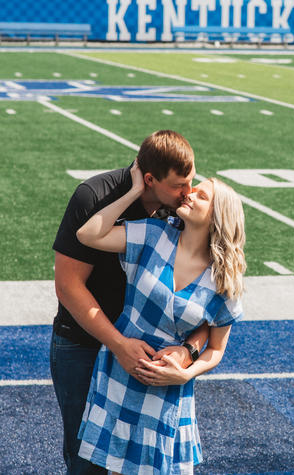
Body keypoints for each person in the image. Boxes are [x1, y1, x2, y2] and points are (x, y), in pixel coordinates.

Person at [51, 130, 209, 474]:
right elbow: (67, 285)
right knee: (86, 463)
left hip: (147, 355)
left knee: (142, 466)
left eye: (191, 180)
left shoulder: (183, 214)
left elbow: (206, 306)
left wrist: (188, 352)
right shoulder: (93, 196)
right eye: (179, 185)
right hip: (85, 345)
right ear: (149, 179)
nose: (189, 192)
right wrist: (118, 344)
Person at [74, 161, 246, 474]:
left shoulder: (223, 280)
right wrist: (135, 191)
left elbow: (216, 350)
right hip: (121, 372)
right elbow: (88, 234)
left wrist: (185, 373)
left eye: (202, 196)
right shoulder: (154, 235)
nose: (189, 195)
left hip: (168, 388)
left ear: (219, 217)